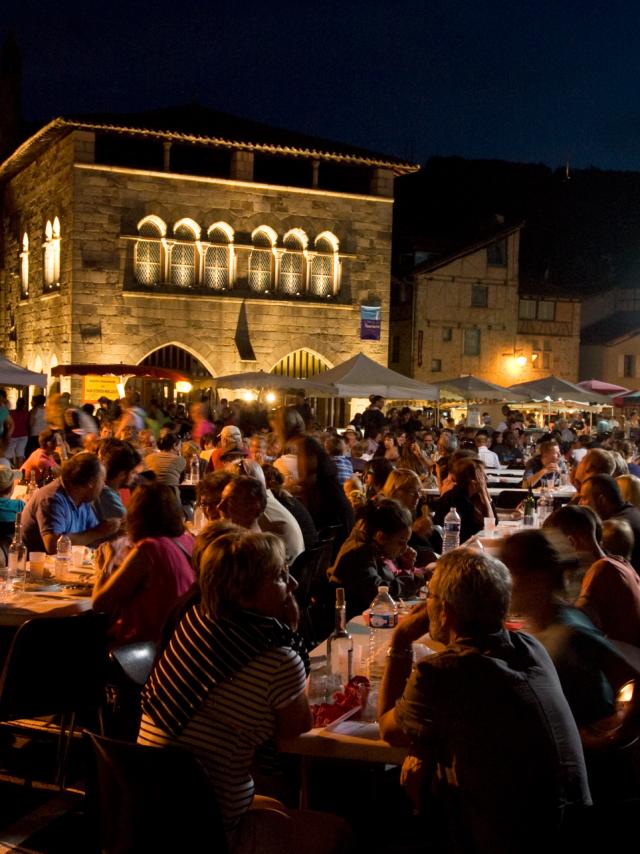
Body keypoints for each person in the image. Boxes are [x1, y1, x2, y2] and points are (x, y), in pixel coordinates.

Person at [138, 531, 350, 854]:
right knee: (339, 832)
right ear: (244, 594)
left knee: (274, 804)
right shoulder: (277, 657)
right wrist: (290, 633)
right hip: (210, 826)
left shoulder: (196, 620)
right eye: (279, 577)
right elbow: (295, 730)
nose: (293, 584)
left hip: (147, 808)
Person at [378, 548, 591, 854]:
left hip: (512, 838)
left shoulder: (441, 672)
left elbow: (387, 727)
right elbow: (488, 720)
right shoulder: (530, 647)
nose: (425, 604)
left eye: (431, 596)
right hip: (573, 826)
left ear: (446, 611)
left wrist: (400, 640)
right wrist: (426, 744)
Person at [92, 482, 195, 646]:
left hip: (144, 646)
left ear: (136, 514)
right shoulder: (187, 540)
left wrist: (105, 565)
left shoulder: (149, 549)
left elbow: (100, 604)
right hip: (179, 638)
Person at [543, 504, 640, 646]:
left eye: (552, 549)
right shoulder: (618, 562)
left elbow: (573, 630)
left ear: (571, 542)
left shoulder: (602, 571)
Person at [329, 498, 422, 619]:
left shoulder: (372, 546)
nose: (405, 549)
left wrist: (405, 567)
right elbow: (381, 594)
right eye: (401, 542)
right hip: (351, 621)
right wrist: (412, 579)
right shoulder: (359, 554)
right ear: (381, 537)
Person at [21, 453, 120, 553]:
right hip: (37, 566)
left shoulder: (83, 499)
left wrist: (113, 532)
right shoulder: (52, 498)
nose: (103, 486)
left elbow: (90, 538)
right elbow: (53, 546)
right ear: (90, 483)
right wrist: (99, 532)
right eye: (102, 480)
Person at [580, 473, 640, 572]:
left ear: (602, 500)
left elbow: (600, 570)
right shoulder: (632, 512)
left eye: (584, 498)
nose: (580, 504)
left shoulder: (614, 531)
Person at [434, 457, 494, 544]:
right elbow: (489, 527)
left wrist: (485, 494)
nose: (486, 478)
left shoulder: (474, 496)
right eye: (482, 476)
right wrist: (484, 492)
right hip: (457, 548)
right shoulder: (457, 498)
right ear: (472, 480)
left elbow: (494, 523)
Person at [94, 439, 141, 522]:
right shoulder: (106, 495)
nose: (136, 476)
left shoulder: (105, 490)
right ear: (121, 474)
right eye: (133, 472)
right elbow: (129, 524)